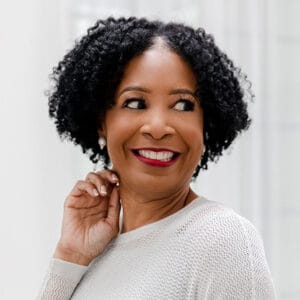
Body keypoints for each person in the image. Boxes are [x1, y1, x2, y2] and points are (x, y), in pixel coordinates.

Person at [37, 17, 276, 299]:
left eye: (183, 105)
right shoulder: (95, 249)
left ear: (205, 124)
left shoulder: (223, 239)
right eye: (136, 103)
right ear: (101, 121)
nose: (159, 127)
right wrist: (70, 255)